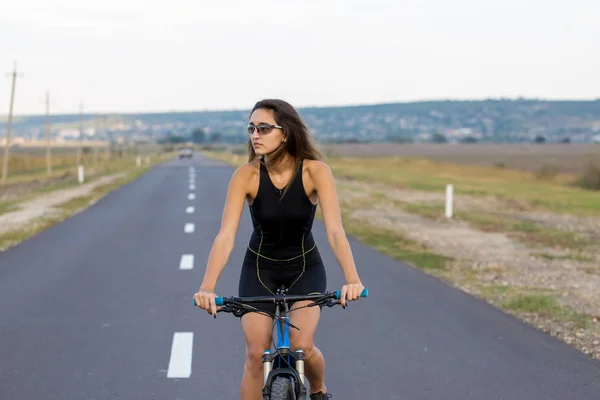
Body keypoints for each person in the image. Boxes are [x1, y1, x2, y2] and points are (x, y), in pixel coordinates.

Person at [193, 99, 365, 400]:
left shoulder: (315, 172)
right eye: (251, 128)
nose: (255, 135)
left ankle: (318, 390)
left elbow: (336, 232)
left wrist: (352, 279)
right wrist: (207, 287)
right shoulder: (245, 176)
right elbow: (225, 236)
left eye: (263, 128)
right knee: (255, 352)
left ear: (284, 133)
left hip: (305, 269)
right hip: (259, 270)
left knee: (303, 346)